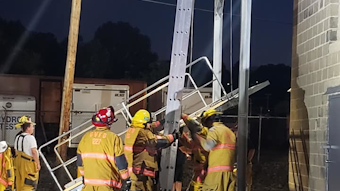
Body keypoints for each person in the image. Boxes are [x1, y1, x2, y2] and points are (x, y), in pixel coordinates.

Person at [77, 106, 131, 191]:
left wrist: (85, 176)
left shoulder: (85, 137)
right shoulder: (113, 138)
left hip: (88, 185)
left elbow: (80, 162)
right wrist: (127, 179)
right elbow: (120, 162)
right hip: (107, 186)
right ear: (110, 122)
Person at [124, 109, 180, 191]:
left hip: (134, 169)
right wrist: (172, 137)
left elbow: (151, 126)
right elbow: (157, 142)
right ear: (145, 122)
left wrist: (162, 121)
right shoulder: (143, 132)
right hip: (143, 170)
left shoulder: (132, 130)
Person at [184, 109, 236, 191]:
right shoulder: (229, 132)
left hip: (216, 174)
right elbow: (219, 150)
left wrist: (197, 137)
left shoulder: (213, 130)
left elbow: (208, 146)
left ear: (209, 121)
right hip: (229, 174)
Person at [180, 115, 209, 191]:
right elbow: (189, 144)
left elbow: (195, 126)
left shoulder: (205, 132)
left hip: (204, 172)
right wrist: (180, 134)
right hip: (198, 172)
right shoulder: (197, 142)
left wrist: (183, 116)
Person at [14, 116, 40, 191]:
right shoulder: (30, 138)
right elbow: (34, 152)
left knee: (19, 182)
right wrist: (37, 163)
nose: (33, 128)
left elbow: (16, 151)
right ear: (28, 128)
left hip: (18, 162)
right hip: (28, 164)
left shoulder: (18, 137)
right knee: (28, 183)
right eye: (32, 127)